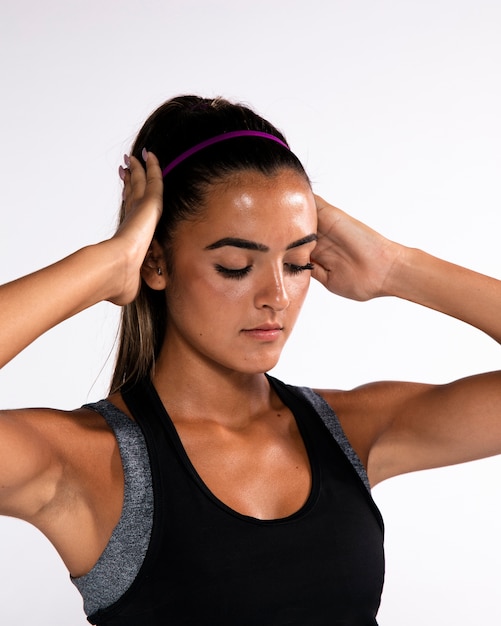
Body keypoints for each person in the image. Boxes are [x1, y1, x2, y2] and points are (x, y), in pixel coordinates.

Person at [0, 95, 500, 626]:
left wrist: (394, 266)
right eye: (237, 266)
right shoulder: (83, 463)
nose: (277, 296)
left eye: (298, 262)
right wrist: (106, 265)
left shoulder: (350, 432)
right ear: (157, 262)